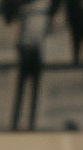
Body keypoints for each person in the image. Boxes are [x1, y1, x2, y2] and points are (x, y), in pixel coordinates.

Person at [10, 0, 53, 129]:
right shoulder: (43, 15)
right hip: (36, 53)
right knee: (33, 93)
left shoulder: (25, 13)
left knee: (21, 91)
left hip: (27, 53)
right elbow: (46, 32)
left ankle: (16, 121)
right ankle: (31, 122)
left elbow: (20, 36)